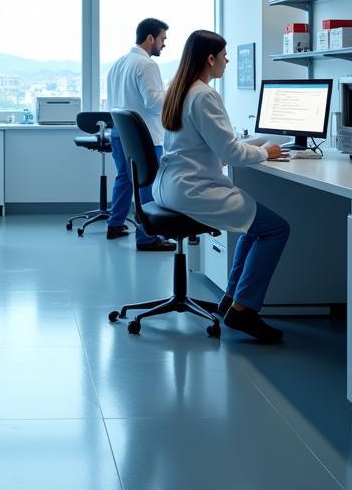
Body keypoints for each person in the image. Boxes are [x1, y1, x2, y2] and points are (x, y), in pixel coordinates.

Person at [153, 29, 290, 344]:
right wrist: (265, 152)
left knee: (252, 226)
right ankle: (243, 309)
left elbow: (210, 144)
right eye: (224, 55)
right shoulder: (205, 95)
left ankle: (232, 299)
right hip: (193, 190)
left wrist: (254, 144)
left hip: (171, 185)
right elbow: (230, 153)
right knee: (275, 229)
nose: (227, 60)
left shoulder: (179, 89)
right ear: (210, 58)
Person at [105, 17, 176, 251]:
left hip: (119, 133)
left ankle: (115, 224)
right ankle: (147, 238)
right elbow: (155, 103)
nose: (164, 44)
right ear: (150, 38)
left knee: (125, 178)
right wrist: (173, 92)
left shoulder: (118, 63)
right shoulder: (147, 65)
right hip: (145, 137)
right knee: (148, 185)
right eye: (162, 39)